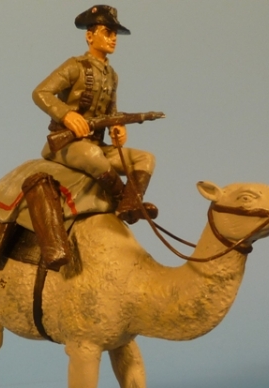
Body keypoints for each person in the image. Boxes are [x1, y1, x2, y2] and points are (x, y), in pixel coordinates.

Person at [32, 5, 158, 226]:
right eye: (107, 32)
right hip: (66, 145)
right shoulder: (75, 66)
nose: (113, 39)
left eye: (115, 34)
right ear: (90, 36)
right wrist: (66, 115)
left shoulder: (112, 76)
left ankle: (131, 203)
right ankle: (123, 200)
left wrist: (117, 127)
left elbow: (111, 113)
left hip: (97, 145)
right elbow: (41, 92)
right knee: (92, 155)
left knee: (145, 158)